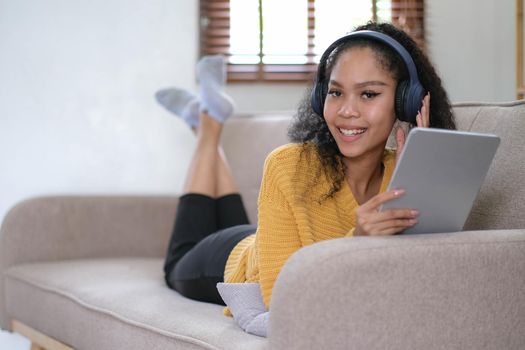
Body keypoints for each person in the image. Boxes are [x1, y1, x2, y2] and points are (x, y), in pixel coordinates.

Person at [156, 21, 455, 335]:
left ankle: (206, 118)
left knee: (238, 224)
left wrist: (422, 167)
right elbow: (284, 301)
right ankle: (208, 130)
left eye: (368, 94)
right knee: (175, 264)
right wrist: (356, 245)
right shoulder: (288, 165)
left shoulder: (404, 173)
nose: (346, 110)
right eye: (336, 92)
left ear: (404, 101)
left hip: (267, 239)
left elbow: (422, 282)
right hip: (237, 261)